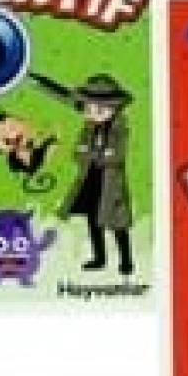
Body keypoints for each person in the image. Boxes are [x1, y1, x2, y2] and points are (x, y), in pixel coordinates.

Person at [58, 74, 135, 276]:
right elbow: (77, 153)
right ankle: (99, 258)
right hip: (90, 180)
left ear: (114, 108)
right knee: (93, 221)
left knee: (118, 223)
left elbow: (116, 156)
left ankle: (126, 260)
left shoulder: (120, 129)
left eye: (99, 110)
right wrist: (96, 154)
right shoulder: (89, 128)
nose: (93, 114)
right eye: (89, 109)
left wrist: (93, 154)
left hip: (111, 184)